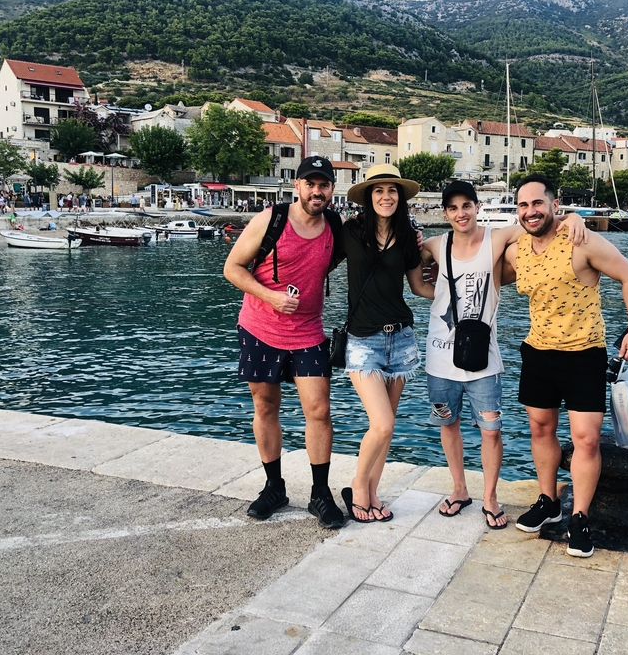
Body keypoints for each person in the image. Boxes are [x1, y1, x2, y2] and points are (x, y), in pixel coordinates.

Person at [418, 181, 586, 530]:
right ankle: (460, 489)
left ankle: (490, 497)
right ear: (445, 213)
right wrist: (426, 287)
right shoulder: (435, 245)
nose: (460, 213)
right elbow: (412, 271)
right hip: (439, 355)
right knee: (448, 424)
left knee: (491, 430)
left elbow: (538, 221)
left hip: (484, 358)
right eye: (453, 208)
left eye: (467, 206)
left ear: (478, 207)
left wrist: (573, 217)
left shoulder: (497, 239)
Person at [504, 174, 628, 558]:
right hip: (537, 353)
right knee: (540, 428)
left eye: (537, 203)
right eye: (522, 205)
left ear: (553, 204)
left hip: (583, 354)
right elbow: (478, 267)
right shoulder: (517, 250)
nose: (530, 211)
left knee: (585, 439)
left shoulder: (581, 241)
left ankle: (579, 516)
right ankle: (548, 502)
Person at [223, 156, 346, 529]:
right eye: (310, 183)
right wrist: (272, 296)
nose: (317, 191)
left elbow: (356, 252)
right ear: (297, 186)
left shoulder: (335, 226)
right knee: (265, 406)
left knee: (319, 411)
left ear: (331, 190)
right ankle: (274, 486)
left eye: (323, 184)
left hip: (309, 332)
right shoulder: (271, 219)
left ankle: (320, 494)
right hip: (260, 328)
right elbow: (232, 268)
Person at [340, 165, 434, 523]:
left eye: (392, 190)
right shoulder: (350, 231)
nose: (386, 196)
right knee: (382, 424)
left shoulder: (409, 237)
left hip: (403, 339)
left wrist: (453, 291)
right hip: (363, 340)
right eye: (378, 191)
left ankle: (373, 493)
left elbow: (419, 287)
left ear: (401, 196)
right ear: (368, 197)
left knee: (387, 425)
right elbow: (319, 257)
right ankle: (359, 489)